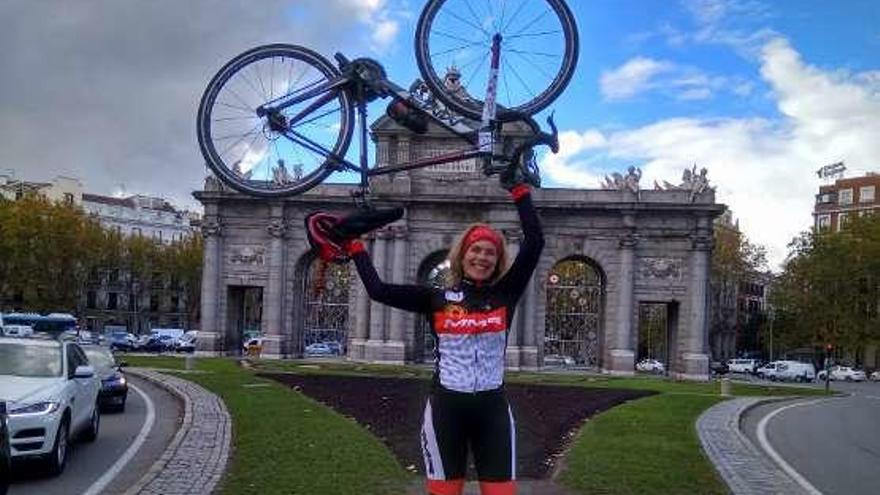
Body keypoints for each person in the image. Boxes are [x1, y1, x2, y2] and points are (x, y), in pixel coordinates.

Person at [339, 178, 543, 495]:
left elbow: (534, 244)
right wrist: (353, 245)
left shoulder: (507, 293)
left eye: (490, 252)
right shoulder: (437, 298)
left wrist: (519, 189)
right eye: (476, 249)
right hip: (446, 410)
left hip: (493, 411)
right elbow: (378, 291)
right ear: (463, 255)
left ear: (497, 261)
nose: (482, 257)